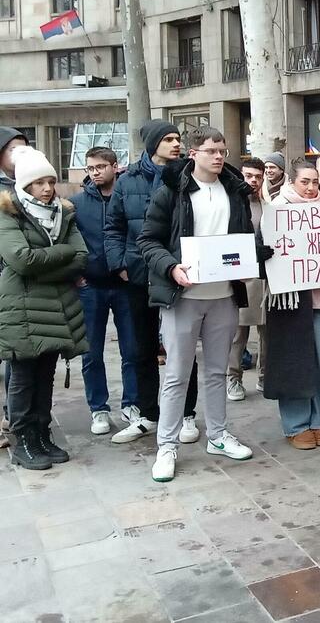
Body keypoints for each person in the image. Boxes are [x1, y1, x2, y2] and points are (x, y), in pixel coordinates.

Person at [138, 126, 257, 482]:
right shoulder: (171, 192)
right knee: (176, 374)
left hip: (223, 296)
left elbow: (244, 239)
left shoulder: (235, 191)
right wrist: (171, 267)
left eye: (222, 150)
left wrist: (255, 260)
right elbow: (148, 241)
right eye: (211, 151)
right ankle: (167, 446)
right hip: (183, 298)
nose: (219, 156)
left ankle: (218, 435)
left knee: (218, 371)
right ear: (193, 154)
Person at [105, 119, 200, 444]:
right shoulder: (126, 181)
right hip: (137, 276)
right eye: (169, 139)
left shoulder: (189, 177)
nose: (176, 144)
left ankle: (187, 415)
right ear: (153, 144)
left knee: (182, 348)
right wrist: (120, 264)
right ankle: (147, 414)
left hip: (178, 274)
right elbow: (114, 227)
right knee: (139, 348)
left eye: (178, 138)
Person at [0, 146, 87, 469]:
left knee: (46, 374)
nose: (48, 188)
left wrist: (48, 263)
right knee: (23, 376)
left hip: (56, 306)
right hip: (20, 307)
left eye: (51, 181)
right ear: (24, 186)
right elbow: (21, 260)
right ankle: (22, 439)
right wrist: (61, 256)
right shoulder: (8, 213)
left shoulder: (63, 213)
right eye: (39, 183)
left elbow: (81, 256)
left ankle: (41, 433)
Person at [263, 160, 320, 442]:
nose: (311, 187)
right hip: (291, 302)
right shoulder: (277, 211)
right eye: (305, 181)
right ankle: (296, 425)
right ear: (291, 182)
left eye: (315, 181)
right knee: (296, 361)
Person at [70, 147, 139, 435]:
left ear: (115, 166)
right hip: (91, 286)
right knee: (91, 352)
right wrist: (75, 275)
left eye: (100, 167)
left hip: (125, 285)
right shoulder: (75, 204)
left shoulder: (127, 197)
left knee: (132, 349)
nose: (95, 172)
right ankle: (99, 408)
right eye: (90, 168)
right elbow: (67, 241)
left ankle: (132, 403)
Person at [227, 157, 267, 401]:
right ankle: (233, 378)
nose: (253, 180)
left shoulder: (268, 203)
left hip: (266, 275)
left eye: (257, 176)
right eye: (248, 176)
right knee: (238, 333)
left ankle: (265, 377)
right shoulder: (232, 203)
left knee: (268, 333)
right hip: (241, 277)